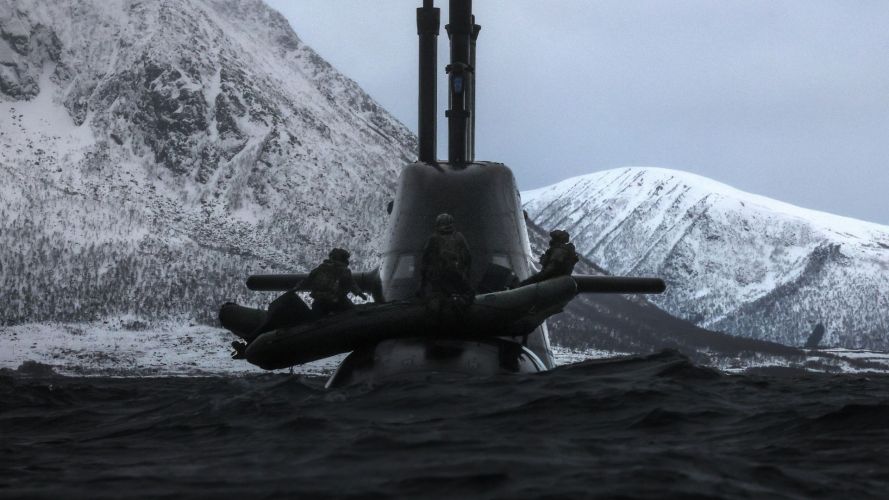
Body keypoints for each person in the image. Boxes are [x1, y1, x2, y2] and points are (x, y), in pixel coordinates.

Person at [420, 213, 473, 303]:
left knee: (438, 298)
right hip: (457, 275)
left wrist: (423, 284)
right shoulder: (459, 236)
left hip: (439, 278)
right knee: (469, 294)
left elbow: (425, 260)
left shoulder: (434, 238)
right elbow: (468, 257)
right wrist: (465, 274)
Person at [303, 248, 367, 316]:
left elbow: (307, 280)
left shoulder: (320, 268)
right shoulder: (345, 271)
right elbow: (351, 284)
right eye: (345, 258)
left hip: (320, 301)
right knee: (353, 312)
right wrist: (360, 294)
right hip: (338, 301)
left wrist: (296, 288)